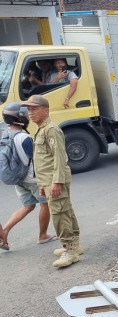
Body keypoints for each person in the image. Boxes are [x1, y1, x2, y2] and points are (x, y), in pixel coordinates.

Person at [21, 94, 82, 268]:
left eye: (34, 109)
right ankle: (74, 246)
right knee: (66, 211)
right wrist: (42, 184)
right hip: (48, 180)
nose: (30, 113)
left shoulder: (51, 129)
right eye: (29, 109)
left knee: (59, 214)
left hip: (55, 180)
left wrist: (56, 182)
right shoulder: (41, 128)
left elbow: (59, 157)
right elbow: (43, 160)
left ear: (45, 110)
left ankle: (69, 250)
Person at [0, 103, 57, 251]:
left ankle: (4, 231)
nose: (27, 116)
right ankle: (43, 235)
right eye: (25, 114)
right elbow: (37, 159)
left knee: (28, 206)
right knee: (45, 204)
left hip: (17, 178)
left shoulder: (4, 133)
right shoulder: (24, 138)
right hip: (32, 179)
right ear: (18, 118)